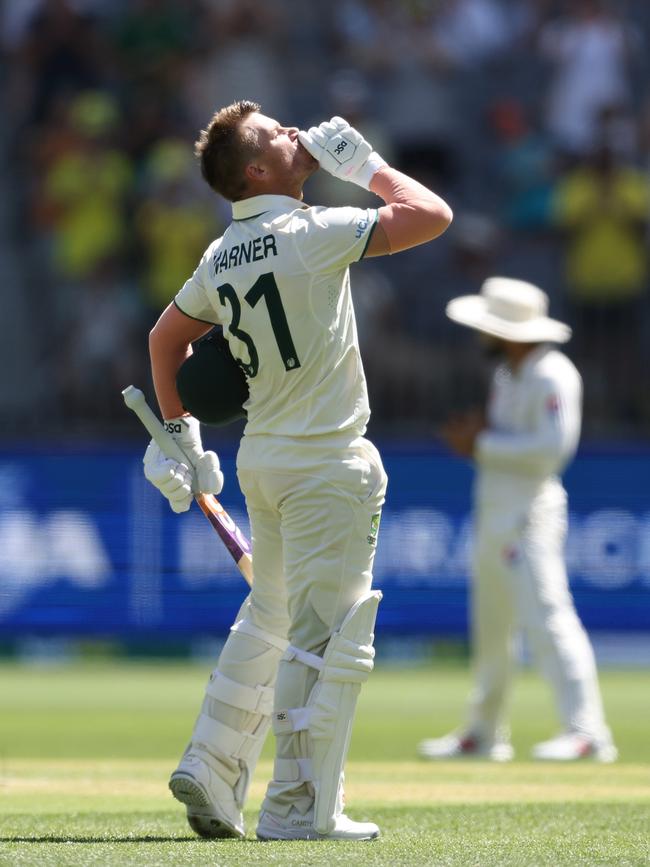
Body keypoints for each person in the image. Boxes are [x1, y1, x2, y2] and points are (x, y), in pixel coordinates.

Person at [141, 101, 452, 841]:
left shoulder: (222, 253)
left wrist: (181, 435)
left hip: (266, 460)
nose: (294, 133)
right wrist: (366, 166)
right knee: (327, 636)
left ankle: (214, 766)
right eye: (276, 135)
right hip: (327, 461)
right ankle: (297, 809)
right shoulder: (314, 233)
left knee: (273, 615)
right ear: (256, 170)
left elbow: (165, 339)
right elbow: (433, 214)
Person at [418, 277, 617, 763]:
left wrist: (479, 445)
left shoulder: (553, 374)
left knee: (548, 618)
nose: (480, 336)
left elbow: (554, 450)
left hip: (530, 515)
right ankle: (484, 732)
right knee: (491, 628)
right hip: (495, 510)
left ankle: (588, 732)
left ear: (506, 330)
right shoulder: (508, 373)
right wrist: (481, 441)